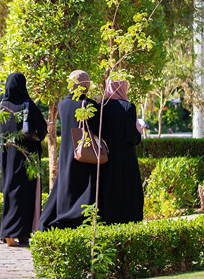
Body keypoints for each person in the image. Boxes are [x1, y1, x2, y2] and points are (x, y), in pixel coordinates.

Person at [38, 70, 100, 231]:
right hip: (83, 150)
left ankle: (62, 217)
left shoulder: (63, 104)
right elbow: (98, 130)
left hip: (66, 151)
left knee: (67, 183)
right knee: (83, 185)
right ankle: (76, 219)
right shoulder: (90, 105)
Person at [0, 72, 48, 246]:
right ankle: (16, 232)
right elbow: (41, 128)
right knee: (27, 193)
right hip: (27, 156)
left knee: (10, 190)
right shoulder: (27, 104)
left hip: (7, 156)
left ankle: (14, 232)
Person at [97, 78, 143, 225]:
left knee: (109, 188)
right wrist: (139, 131)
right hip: (125, 157)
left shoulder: (101, 106)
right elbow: (131, 136)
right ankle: (128, 221)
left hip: (106, 156)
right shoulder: (128, 107)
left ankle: (108, 220)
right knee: (127, 189)